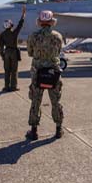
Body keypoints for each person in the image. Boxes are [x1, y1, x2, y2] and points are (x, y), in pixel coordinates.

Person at [26, 10, 64, 140]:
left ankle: (34, 131)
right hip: (54, 72)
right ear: (51, 22)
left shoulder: (33, 36)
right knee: (56, 101)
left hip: (38, 72)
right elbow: (58, 52)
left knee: (35, 101)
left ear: (40, 22)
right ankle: (59, 129)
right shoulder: (58, 36)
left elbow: (30, 53)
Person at [0, 5, 26, 92]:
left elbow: (1, 47)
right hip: (13, 52)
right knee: (14, 70)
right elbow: (20, 25)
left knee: (7, 70)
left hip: (6, 52)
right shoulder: (14, 33)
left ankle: (6, 87)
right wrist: (23, 15)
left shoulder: (2, 34)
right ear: (11, 25)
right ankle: (13, 86)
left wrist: (2, 55)